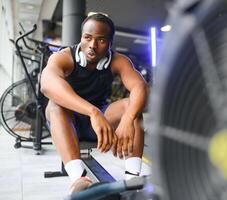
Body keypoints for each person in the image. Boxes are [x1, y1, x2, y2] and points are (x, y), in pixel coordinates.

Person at [40, 13, 148, 193]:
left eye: (101, 40)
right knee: (56, 105)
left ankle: (133, 179)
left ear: (110, 43)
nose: (92, 45)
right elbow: (47, 84)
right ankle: (79, 180)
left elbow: (140, 87)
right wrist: (93, 112)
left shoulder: (117, 61)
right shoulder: (64, 57)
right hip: (67, 121)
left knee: (133, 107)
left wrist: (128, 119)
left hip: (99, 123)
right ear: (81, 37)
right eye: (87, 38)